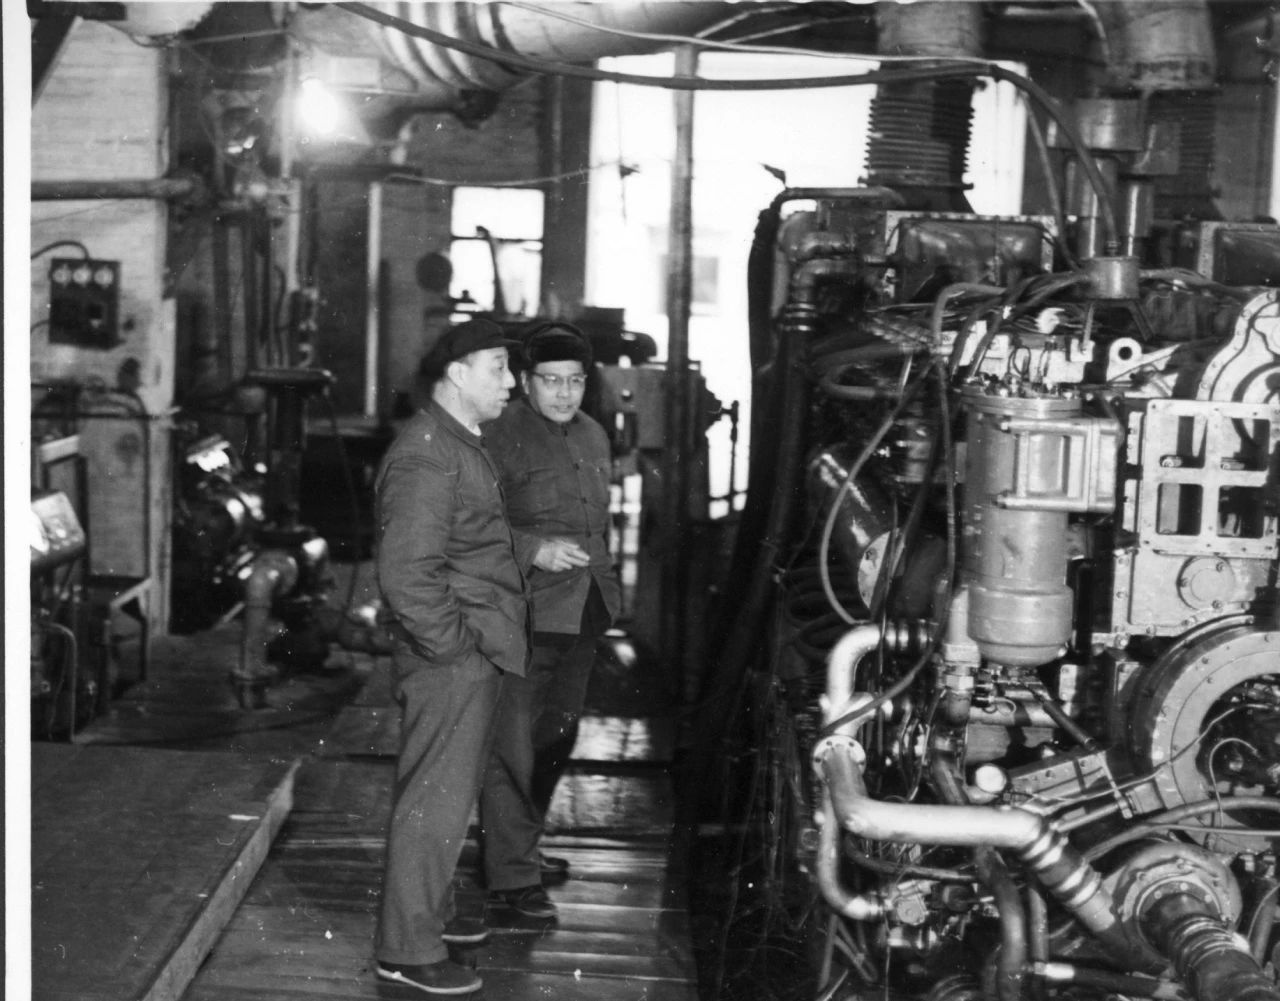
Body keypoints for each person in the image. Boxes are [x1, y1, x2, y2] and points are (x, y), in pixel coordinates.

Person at [373, 318, 547, 997]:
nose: (511, 382)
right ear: (456, 373)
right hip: (451, 657)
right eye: (498, 366)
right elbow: (407, 575)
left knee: (445, 798)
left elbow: (472, 542)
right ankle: (406, 950)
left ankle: (431, 919)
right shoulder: (426, 456)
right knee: (434, 802)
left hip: (472, 649)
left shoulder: (456, 443)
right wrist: (457, 652)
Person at [482, 321, 623, 880]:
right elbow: (471, 524)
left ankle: (522, 851)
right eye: (551, 381)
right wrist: (533, 549)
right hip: (526, 613)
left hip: (584, 610)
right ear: (525, 381)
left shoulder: (594, 435)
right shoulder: (498, 435)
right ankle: (509, 873)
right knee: (512, 746)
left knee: (556, 738)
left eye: (575, 381)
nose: (565, 393)